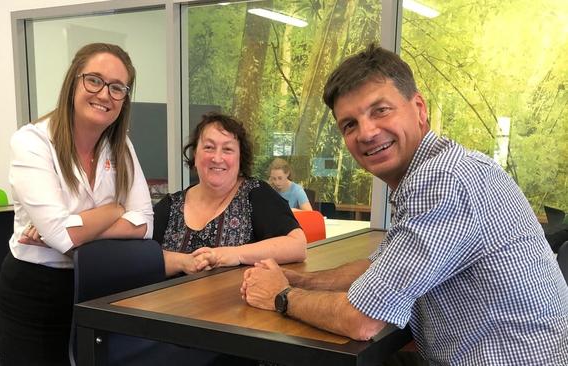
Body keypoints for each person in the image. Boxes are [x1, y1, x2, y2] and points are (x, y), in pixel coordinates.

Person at [241, 44, 568, 365]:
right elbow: (374, 270)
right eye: (350, 124)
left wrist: (281, 297)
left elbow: (361, 320)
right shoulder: (442, 169)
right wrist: (294, 279)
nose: (366, 132)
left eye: (380, 110)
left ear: (420, 109)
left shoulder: (442, 179)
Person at [0, 43, 153, 365]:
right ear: (73, 82)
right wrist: (115, 210)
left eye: (117, 87)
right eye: (94, 80)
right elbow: (62, 235)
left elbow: (145, 224)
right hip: (36, 293)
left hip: (98, 285)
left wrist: (72, 229)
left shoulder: (121, 146)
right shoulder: (32, 141)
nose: (105, 94)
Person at [153, 112, 307, 277]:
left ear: (240, 159)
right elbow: (142, 261)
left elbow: (297, 246)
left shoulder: (255, 194)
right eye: (209, 147)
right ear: (195, 155)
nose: (217, 158)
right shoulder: (169, 206)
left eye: (227, 149)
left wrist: (234, 254)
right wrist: (183, 262)